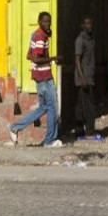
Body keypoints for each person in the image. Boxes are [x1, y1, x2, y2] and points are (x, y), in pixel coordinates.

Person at [9, 11, 65, 147]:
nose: (47, 24)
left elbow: (29, 55)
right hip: (44, 77)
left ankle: (15, 127)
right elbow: (36, 58)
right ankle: (50, 140)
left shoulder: (36, 34)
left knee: (43, 107)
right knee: (52, 108)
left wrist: (46, 60)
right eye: (45, 21)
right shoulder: (40, 37)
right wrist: (53, 59)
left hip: (38, 76)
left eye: (49, 21)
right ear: (39, 22)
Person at [74, 16, 103, 140]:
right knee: (89, 107)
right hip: (84, 79)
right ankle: (89, 132)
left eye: (91, 23)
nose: (89, 26)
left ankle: (80, 131)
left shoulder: (92, 40)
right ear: (82, 25)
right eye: (86, 24)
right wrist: (83, 79)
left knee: (82, 106)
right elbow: (77, 60)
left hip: (89, 76)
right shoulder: (80, 40)